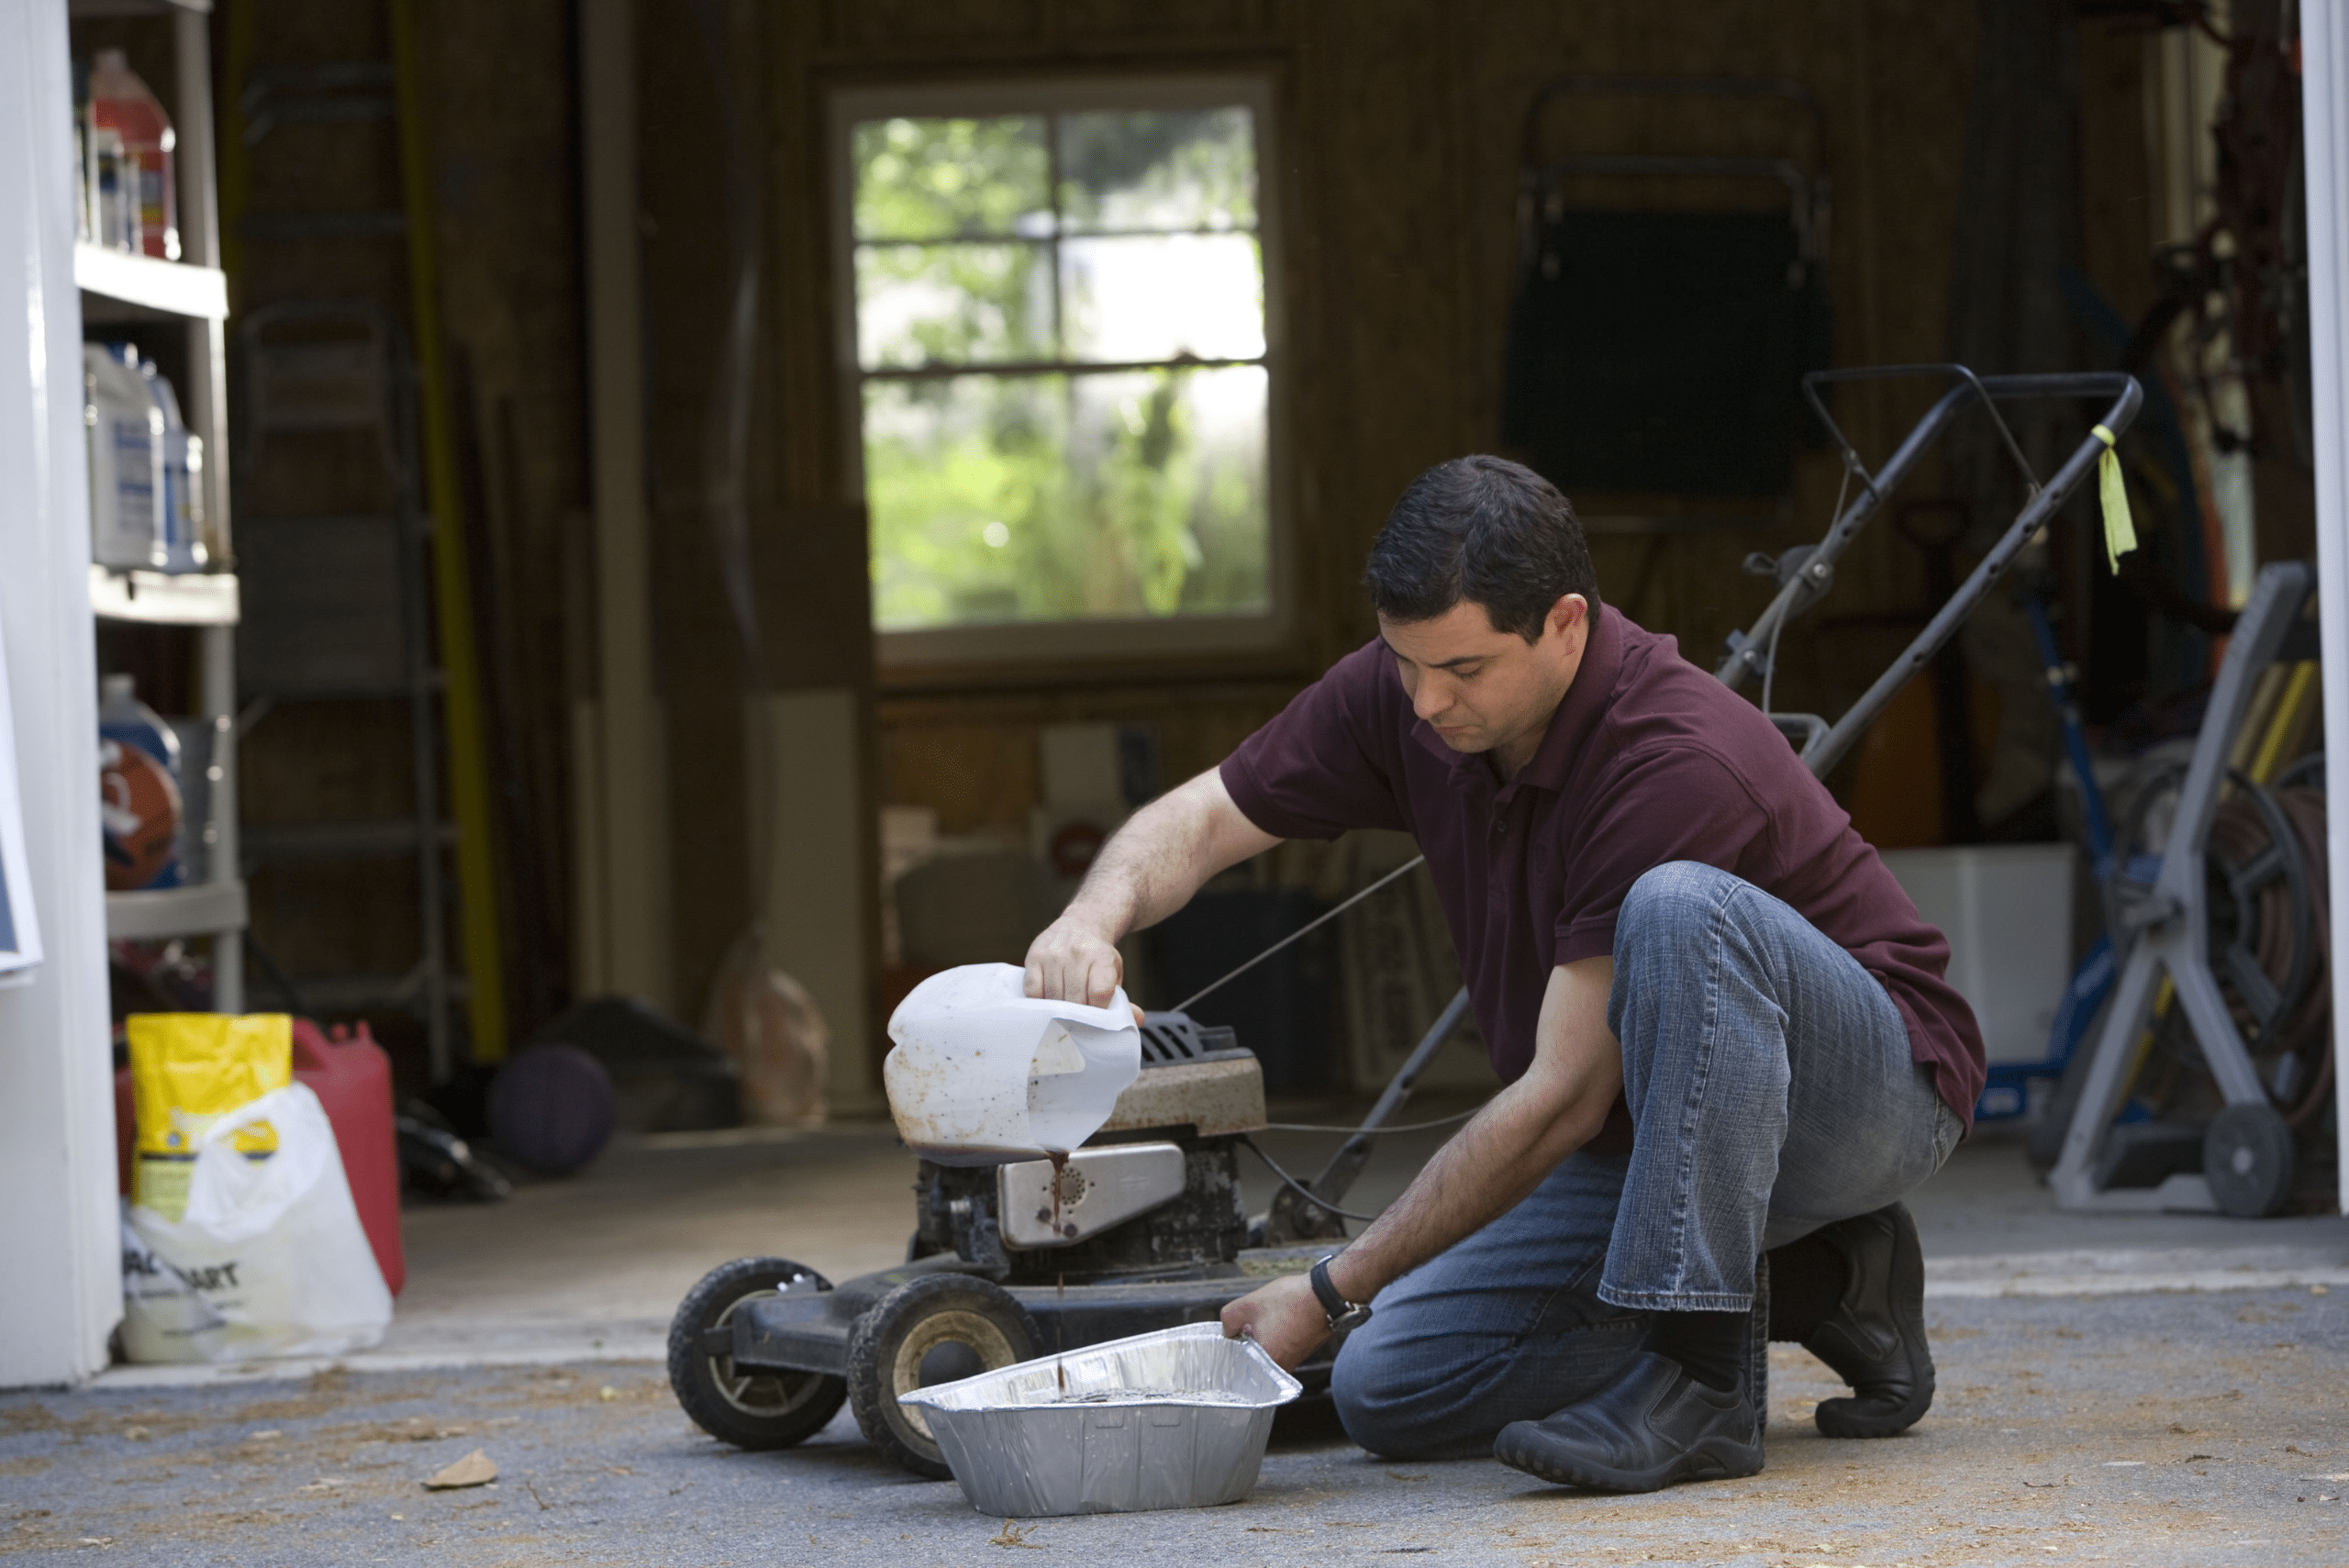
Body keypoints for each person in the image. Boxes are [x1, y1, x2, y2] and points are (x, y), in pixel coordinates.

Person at [1023, 455, 1981, 1493]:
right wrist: (1091, 914)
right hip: (1652, 1129)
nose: (1426, 701)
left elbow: (1563, 1094)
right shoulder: (1414, 687)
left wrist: (1330, 1286)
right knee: (1392, 1386)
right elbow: (1206, 816)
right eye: (1404, 662)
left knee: (1677, 904)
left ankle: (1703, 1384)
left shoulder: (1670, 757)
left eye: (1465, 669)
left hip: (1869, 1096)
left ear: (1566, 623)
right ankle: (1826, 1276)